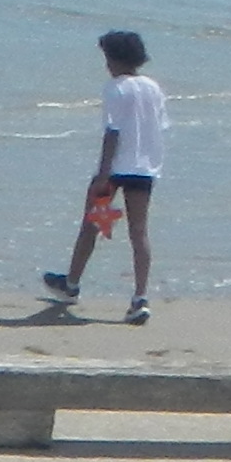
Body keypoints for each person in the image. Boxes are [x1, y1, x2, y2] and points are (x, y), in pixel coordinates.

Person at [43, 29, 167, 324]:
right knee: (139, 232)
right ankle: (140, 297)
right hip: (144, 168)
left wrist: (103, 173)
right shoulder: (153, 87)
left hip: (115, 169)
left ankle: (71, 284)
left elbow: (112, 132)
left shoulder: (115, 87)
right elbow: (160, 127)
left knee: (91, 225)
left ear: (115, 58)